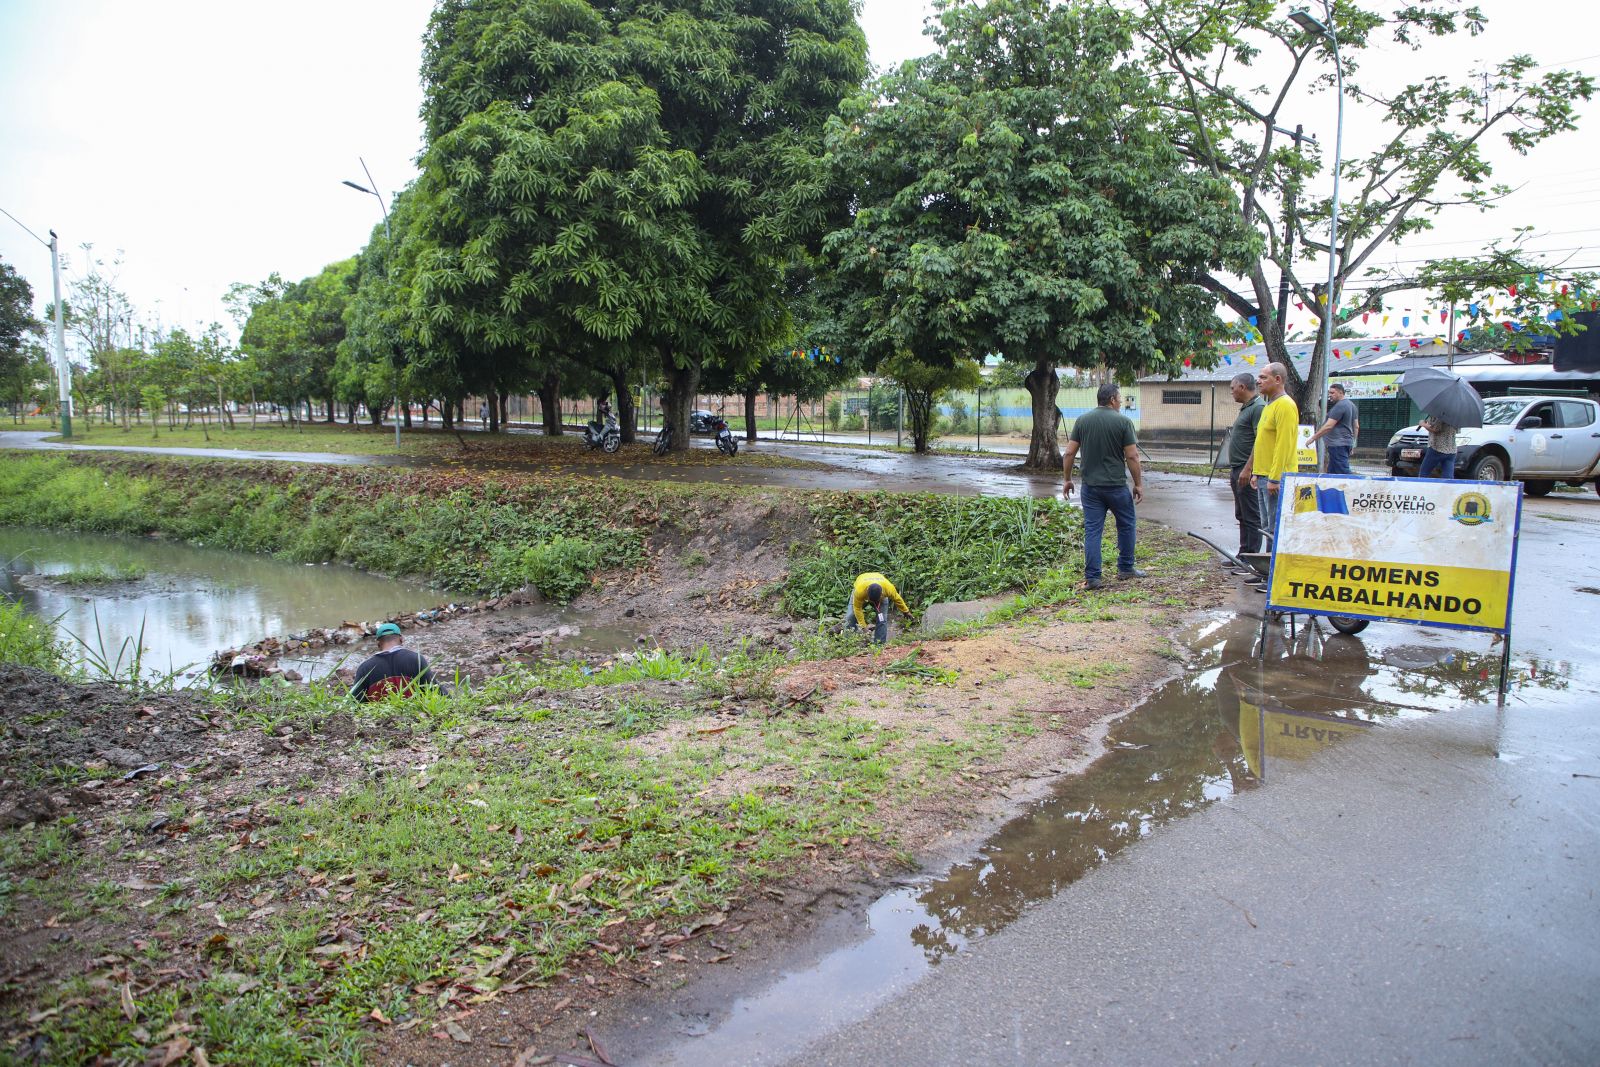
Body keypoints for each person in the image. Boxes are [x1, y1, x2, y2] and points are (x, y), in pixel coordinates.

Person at [1062, 383, 1145, 590]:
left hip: (1090, 488)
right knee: (1126, 525)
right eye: (1119, 399)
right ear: (1112, 400)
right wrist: (1138, 484)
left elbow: (1069, 453)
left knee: (1092, 531)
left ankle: (1093, 578)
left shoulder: (1082, 421)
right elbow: (1132, 456)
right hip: (1116, 486)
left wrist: (1067, 479)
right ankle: (1126, 568)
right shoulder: (1123, 422)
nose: (1120, 402)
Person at [1239, 362, 1299, 538]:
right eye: (1259, 377)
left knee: (1275, 529)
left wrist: (1275, 478)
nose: (1258, 381)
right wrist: (1256, 471)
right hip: (1263, 476)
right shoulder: (1269, 405)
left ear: (1278, 379)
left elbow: (1284, 444)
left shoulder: (1285, 405)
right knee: (1266, 527)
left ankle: (1273, 565)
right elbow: (1262, 441)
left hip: (1276, 479)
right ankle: (1264, 564)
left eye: (1264, 377)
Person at [1225, 372, 1266, 555]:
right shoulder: (1247, 408)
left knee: (1251, 515)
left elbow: (1260, 441)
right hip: (1237, 468)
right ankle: (1243, 553)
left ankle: (1251, 556)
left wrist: (1248, 469)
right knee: (1241, 514)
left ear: (1242, 387)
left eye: (1233, 388)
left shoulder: (1258, 408)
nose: (1232, 392)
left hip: (1246, 469)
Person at [350, 622, 437, 702]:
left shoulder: (365, 668)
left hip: (381, 718)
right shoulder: (416, 659)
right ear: (401, 639)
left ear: (378, 644)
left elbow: (355, 701)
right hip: (415, 715)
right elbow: (434, 690)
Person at [1307, 382, 1359, 475]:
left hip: (1338, 445)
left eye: (1332, 393)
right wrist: (1353, 443)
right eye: (1329, 393)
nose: (1329, 395)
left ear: (1340, 393)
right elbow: (1356, 426)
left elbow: (1328, 426)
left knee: (1344, 473)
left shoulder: (1340, 406)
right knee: (1332, 473)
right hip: (1344, 443)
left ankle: (1355, 488)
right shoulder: (1352, 405)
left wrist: (1313, 438)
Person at [846, 572, 911, 644]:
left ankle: (879, 645)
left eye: (876, 601)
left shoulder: (888, 588)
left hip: (881, 596)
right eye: (871, 600)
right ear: (867, 592)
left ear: (881, 594)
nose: (873, 602)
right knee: (850, 616)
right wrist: (863, 627)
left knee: (882, 620)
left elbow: (897, 599)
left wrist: (906, 611)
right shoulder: (860, 591)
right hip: (862, 586)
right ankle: (848, 642)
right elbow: (857, 608)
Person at [1418, 414, 1458, 479]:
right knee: (1448, 477)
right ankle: (1448, 488)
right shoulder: (1456, 416)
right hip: (1451, 450)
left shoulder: (1441, 414)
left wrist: (1423, 424)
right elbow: (1457, 431)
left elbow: (1436, 429)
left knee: (1424, 473)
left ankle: (1422, 488)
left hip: (1437, 448)